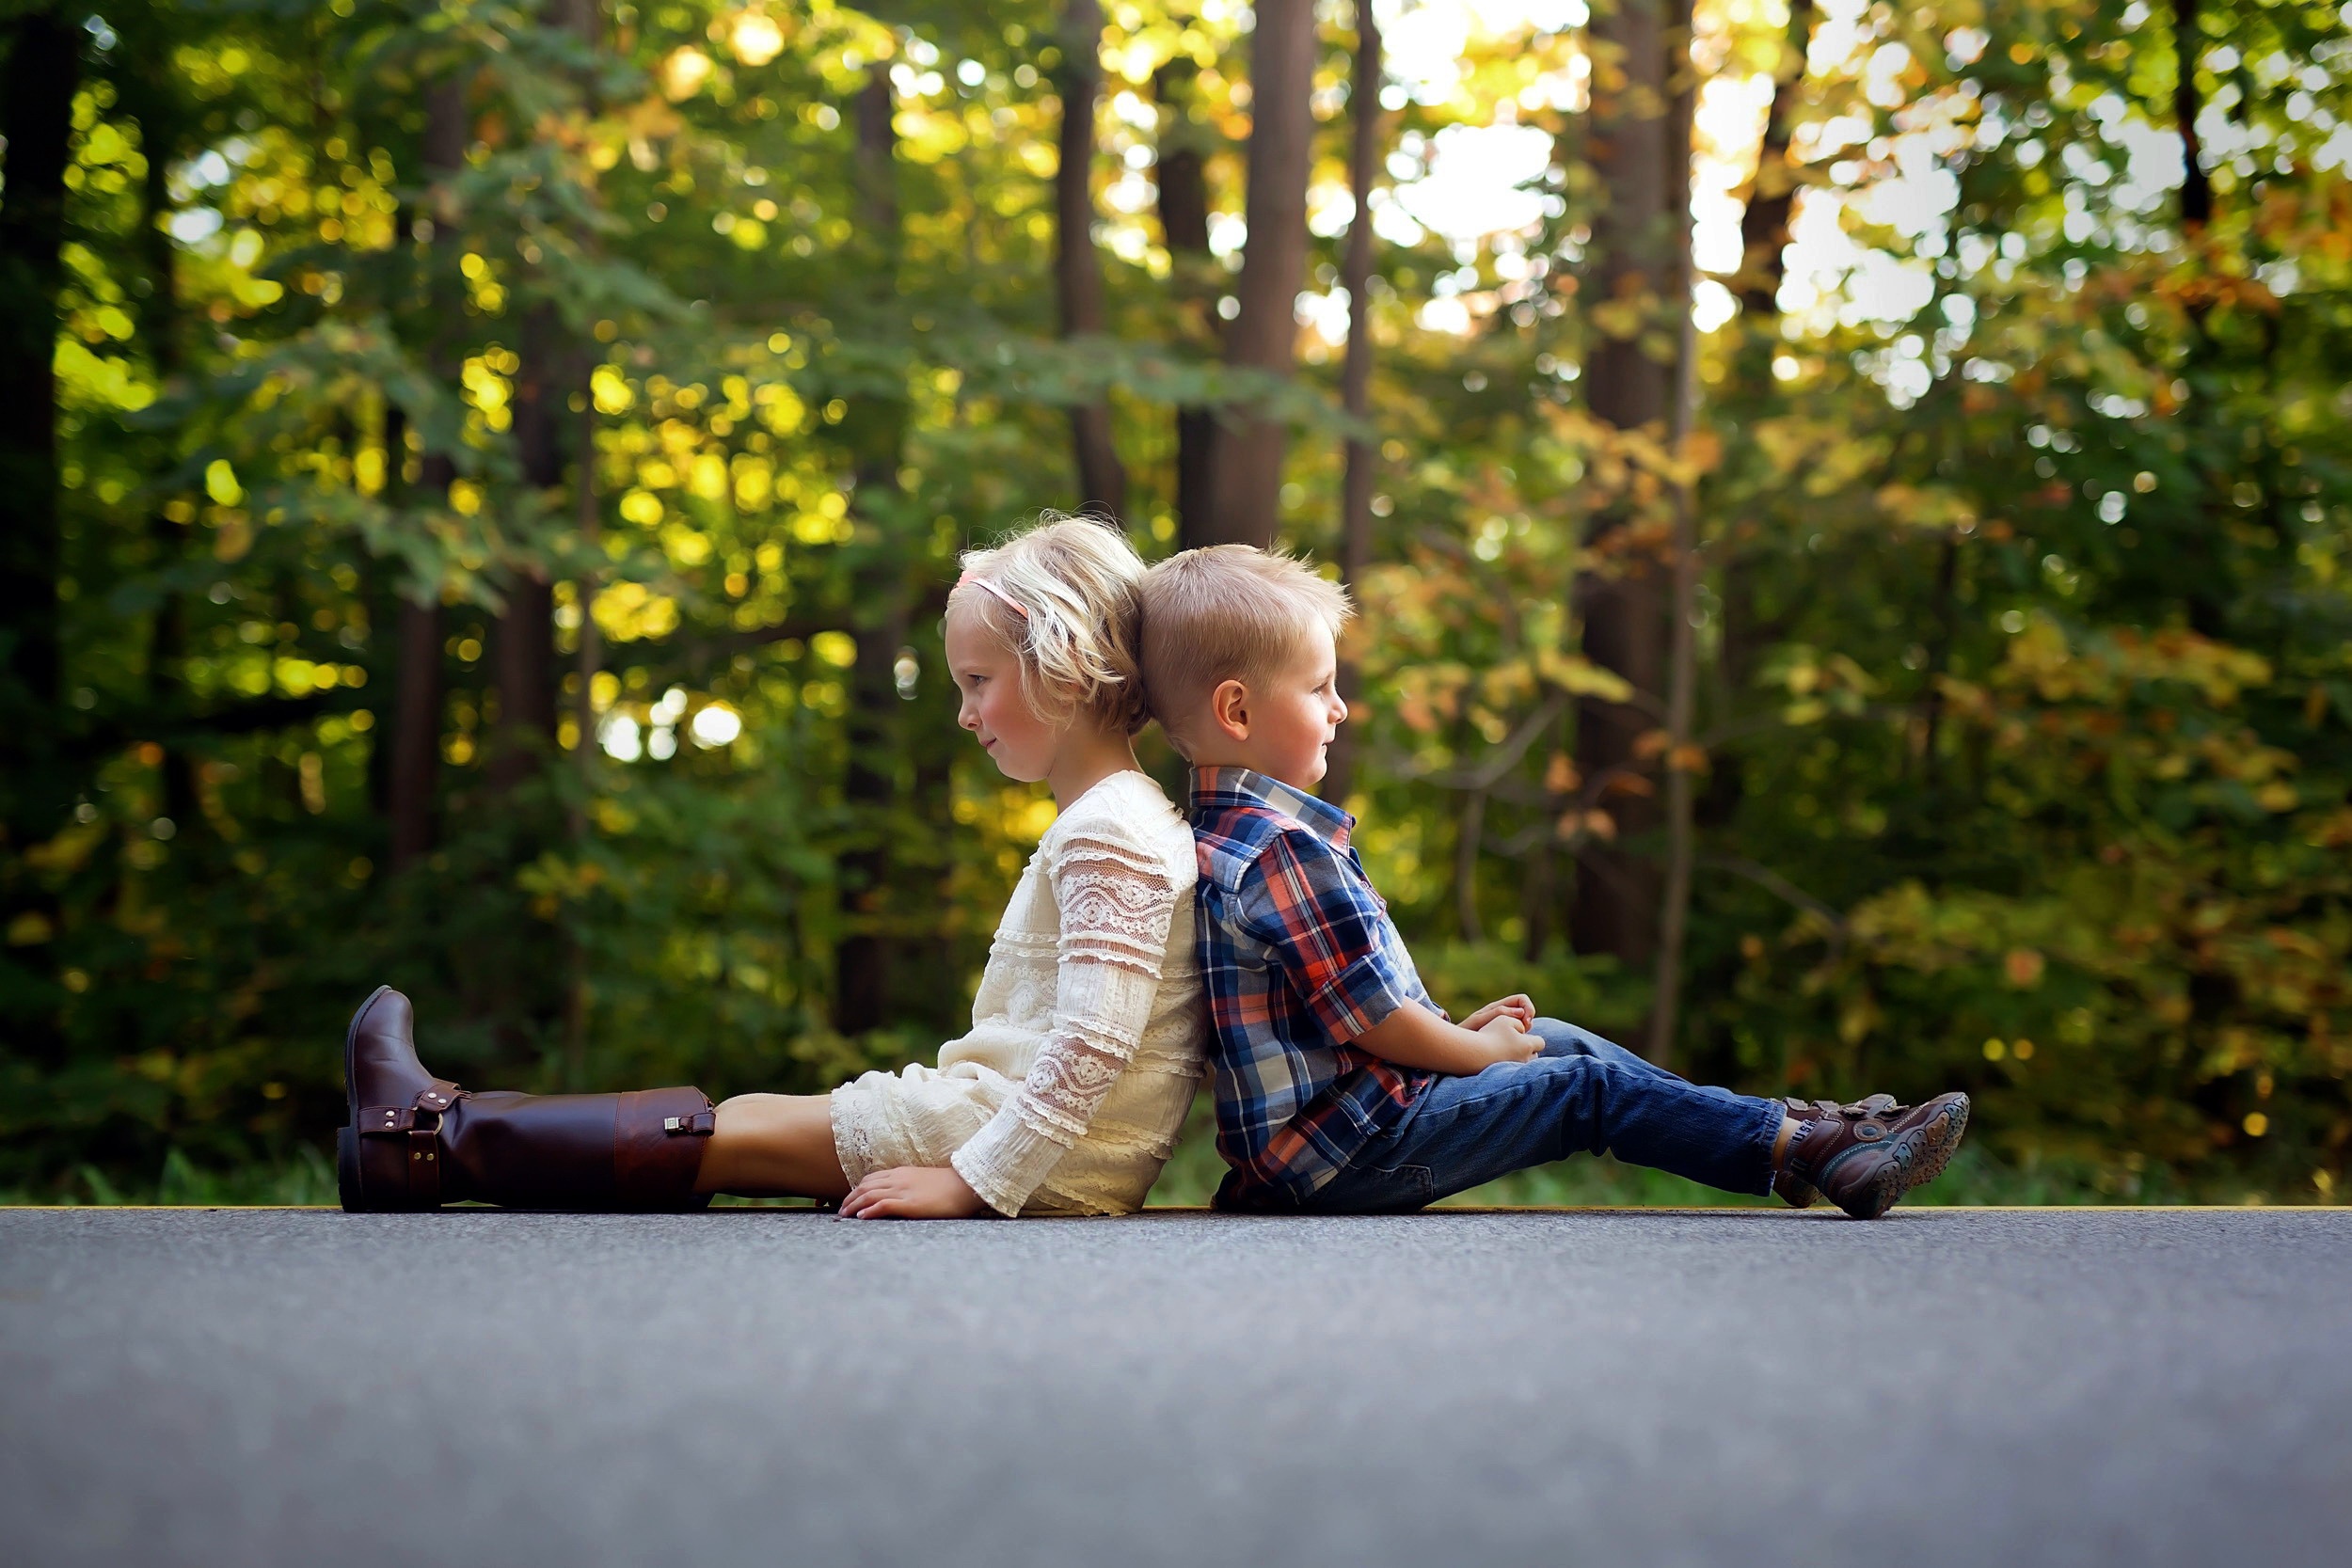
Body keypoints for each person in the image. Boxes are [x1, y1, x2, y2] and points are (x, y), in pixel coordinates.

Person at [341, 516, 1205, 1218]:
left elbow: (1094, 1044)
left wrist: (973, 1179)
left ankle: (420, 1142)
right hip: (1011, 1123)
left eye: (977, 680)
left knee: (715, 1136)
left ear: (1061, 661)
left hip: (1032, 1148)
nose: (965, 713)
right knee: (734, 1120)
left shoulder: (1111, 830)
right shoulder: (1113, 817)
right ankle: (423, 1138)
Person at [1136, 545, 1969, 1219]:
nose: (1341, 706)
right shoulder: (1280, 849)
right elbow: (1379, 1018)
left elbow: (1333, 1017)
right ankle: (1811, 1145)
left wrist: (1462, 1043)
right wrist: (1469, 1050)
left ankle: (1797, 1135)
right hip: (1342, 1155)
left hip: (1335, 1131)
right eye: (1320, 688)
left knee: (1562, 1040)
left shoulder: (1227, 837)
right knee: (1584, 1084)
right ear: (1238, 711)